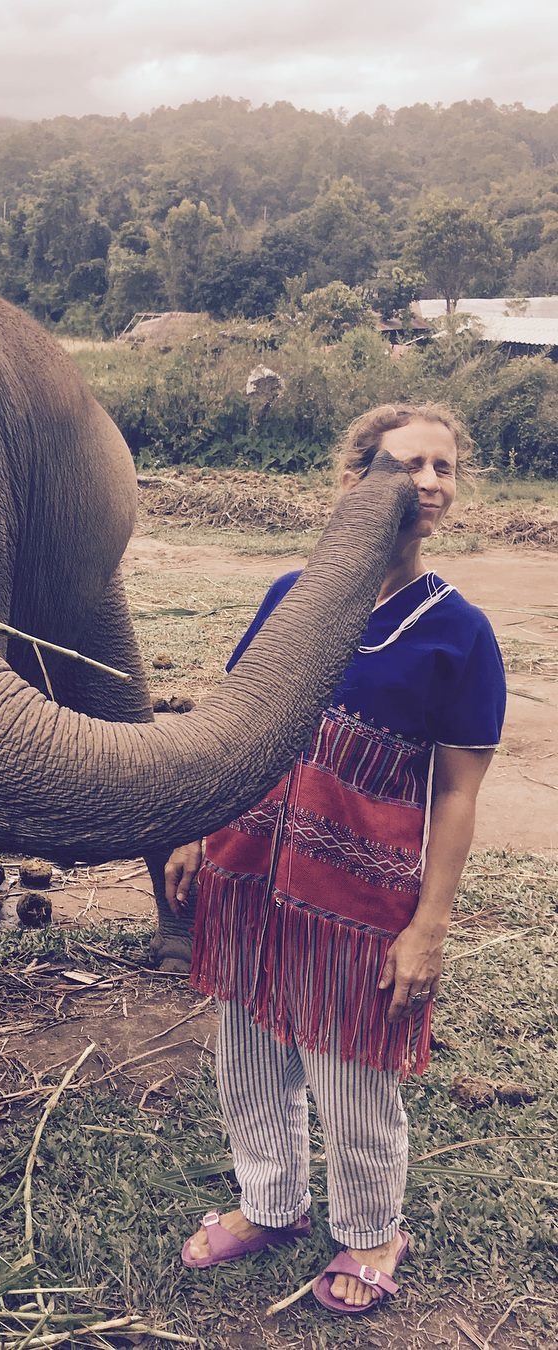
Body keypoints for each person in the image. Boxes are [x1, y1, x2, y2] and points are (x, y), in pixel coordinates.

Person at [168, 403, 505, 1315]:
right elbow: (235, 718)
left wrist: (429, 927)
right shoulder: (295, 594)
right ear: (355, 482)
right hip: (249, 869)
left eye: (443, 467)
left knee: (353, 1077)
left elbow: (458, 794)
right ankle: (270, 1203)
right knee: (249, 1056)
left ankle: (371, 1231)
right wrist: (199, 828)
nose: (428, 483)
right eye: (407, 465)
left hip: (358, 898)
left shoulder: (459, 632)